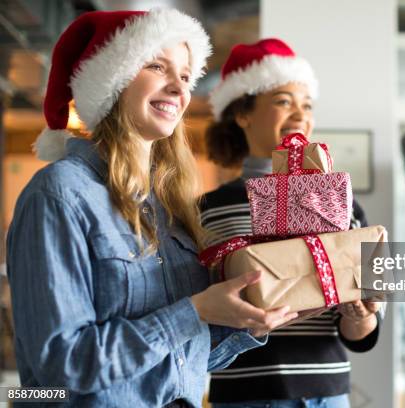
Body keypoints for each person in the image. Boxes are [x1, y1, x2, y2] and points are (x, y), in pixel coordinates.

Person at [6, 10, 296, 408]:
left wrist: (243, 320)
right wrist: (193, 312)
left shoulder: (169, 206)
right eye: (157, 66)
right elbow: (62, 365)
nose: (178, 87)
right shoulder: (59, 194)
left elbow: (179, 360)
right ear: (112, 79)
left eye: (185, 75)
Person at [201, 38, 383, 408]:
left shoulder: (343, 203)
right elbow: (199, 312)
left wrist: (361, 315)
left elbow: (362, 333)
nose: (300, 115)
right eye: (284, 101)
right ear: (243, 113)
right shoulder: (206, 208)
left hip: (329, 395)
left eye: (307, 104)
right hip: (246, 396)